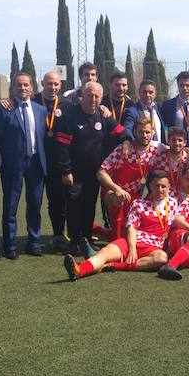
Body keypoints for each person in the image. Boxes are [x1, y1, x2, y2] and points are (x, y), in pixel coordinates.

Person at [53, 81, 128, 256]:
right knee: (74, 207)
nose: (93, 99)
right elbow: (62, 146)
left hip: (94, 173)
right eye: (89, 95)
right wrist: (66, 170)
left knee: (89, 206)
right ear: (82, 96)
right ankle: (74, 240)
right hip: (74, 173)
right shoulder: (70, 115)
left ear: (101, 98)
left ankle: (85, 239)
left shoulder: (104, 115)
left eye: (97, 96)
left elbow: (121, 131)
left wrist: (126, 141)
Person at [63, 170, 177, 280]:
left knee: (162, 258)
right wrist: (132, 249)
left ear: (169, 187)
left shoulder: (173, 203)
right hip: (131, 242)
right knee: (104, 254)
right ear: (150, 186)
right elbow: (131, 228)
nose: (160, 190)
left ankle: (115, 265)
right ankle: (79, 270)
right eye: (157, 186)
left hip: (153, 247)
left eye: (163, 186)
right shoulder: (139, 204)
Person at [0, 72, 48, 259]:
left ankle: (34, 242)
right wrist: (7, 158)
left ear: (32, 88)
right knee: (10, 206)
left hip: (36, 163)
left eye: (26, 85)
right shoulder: (4, 109)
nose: (22, 88)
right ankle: (10, 245)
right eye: (19, 85)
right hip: (13, 164)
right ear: (13, 88)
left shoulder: (40, 110)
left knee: (34, 205)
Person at [33, 71, 71, 247]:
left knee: (57, 199)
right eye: (49, 83)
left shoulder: (67, 104)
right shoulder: (32, 100)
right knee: (34, 199)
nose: (52, 87)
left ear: (60, 85)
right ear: (42, 83)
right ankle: (34, 236)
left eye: (55, 84)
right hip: (36, 160)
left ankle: (58, 233)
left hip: (57, 162)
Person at [160, 71, 189, 158]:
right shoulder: (168, 105)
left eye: (188, 85)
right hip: (176, 145)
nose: (185, 88)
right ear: (178, 86)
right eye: (181, 85)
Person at [149, 127, 189, 191]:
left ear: (185, 143)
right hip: (163, 196)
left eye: (180, 140)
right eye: (173, 140)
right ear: (168, 141)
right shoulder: (158, 158)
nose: (176, 143)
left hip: (182, 195)